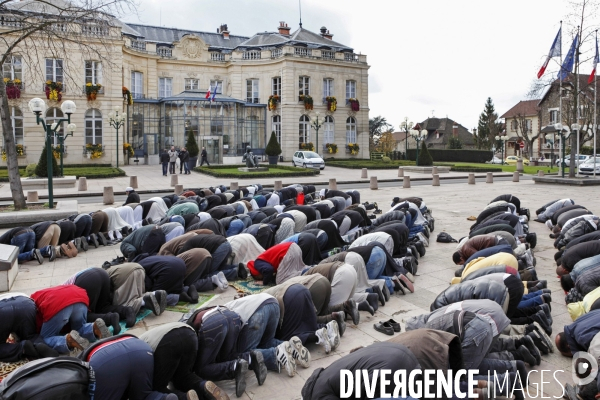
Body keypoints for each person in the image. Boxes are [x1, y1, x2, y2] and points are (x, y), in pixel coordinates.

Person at [31, 285, 112, 353]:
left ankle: (68, 340)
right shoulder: (43, 293)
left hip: (58, 303)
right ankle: (94, 328)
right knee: (80, 327)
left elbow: (40, 323)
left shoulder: (31, 302)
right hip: (79, 296)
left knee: (45, 337)